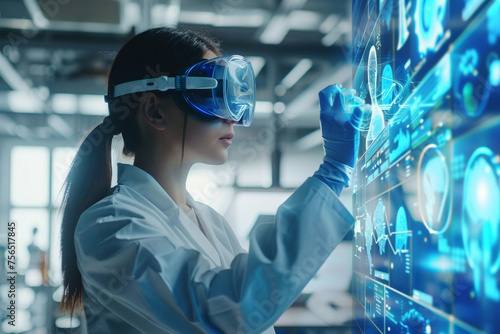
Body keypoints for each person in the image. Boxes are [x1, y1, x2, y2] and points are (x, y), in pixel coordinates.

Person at [59, 27, 363, 334]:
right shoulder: (109, 226)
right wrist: (332, 174)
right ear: (155, 111)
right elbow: (234, 310)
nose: (232, 116)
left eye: (230, 94)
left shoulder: (210, 221)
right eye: (212, 93)